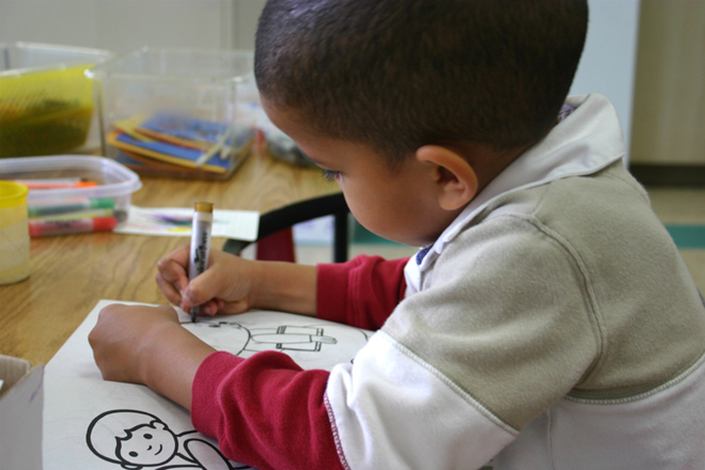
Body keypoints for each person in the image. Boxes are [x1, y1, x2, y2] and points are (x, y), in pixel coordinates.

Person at [89, 0, 705, 468]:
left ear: (443, 174)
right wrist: (260, 278)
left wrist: (156, 354)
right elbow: (438, 292)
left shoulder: (539, 247)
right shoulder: (547, 166)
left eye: (334, 169)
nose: (332, 180)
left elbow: (348, 443)